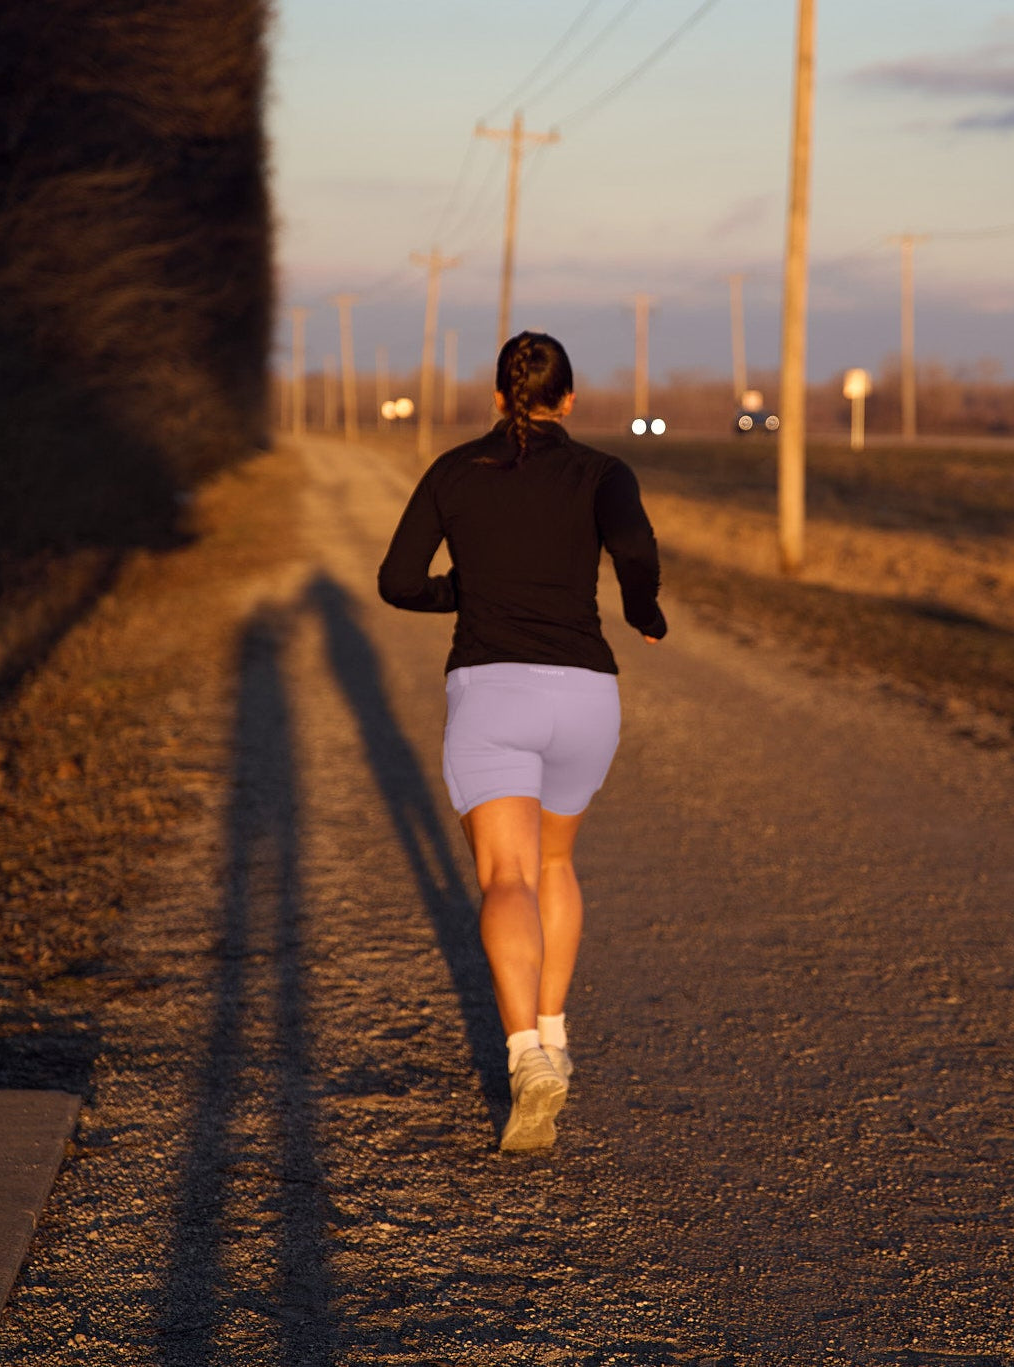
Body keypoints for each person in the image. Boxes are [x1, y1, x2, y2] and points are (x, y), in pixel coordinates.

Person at [377, 330, 667, 1152]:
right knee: (553, 863)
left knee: (504, 873)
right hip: (585, 694)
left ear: (499, 396)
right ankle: (556, 1028)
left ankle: (525, 1054)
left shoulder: (454, 471)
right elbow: (635, 550)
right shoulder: (604, 472)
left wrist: (467, 594)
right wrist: (643, 614)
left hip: (490, 690)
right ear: (568, 400)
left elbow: (397, 581)